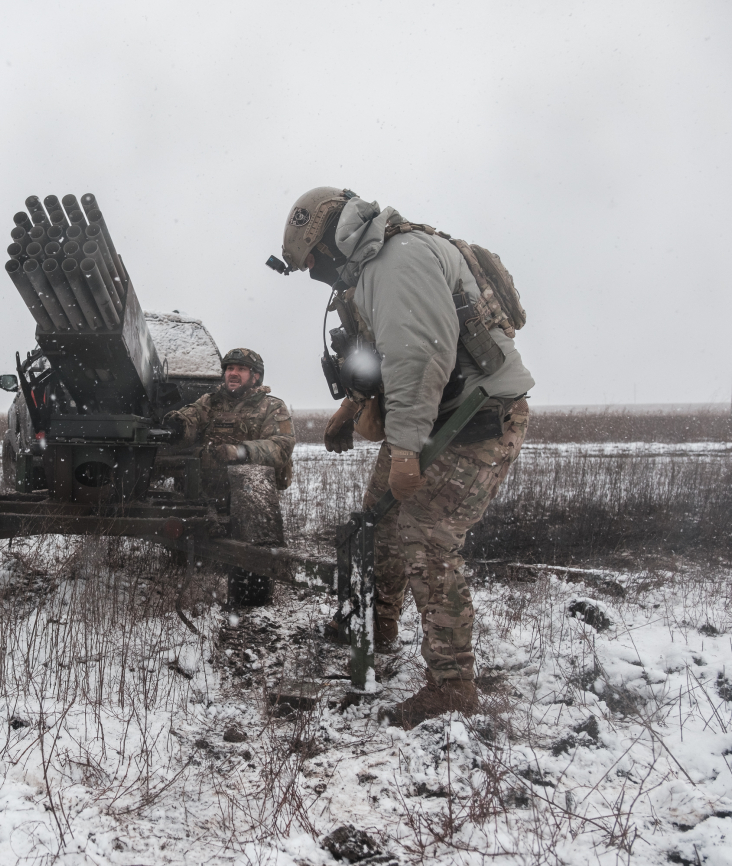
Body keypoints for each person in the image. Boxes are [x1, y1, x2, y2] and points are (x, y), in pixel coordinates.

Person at [278, 187, 534, 728]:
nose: (318, 276)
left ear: (327, 240)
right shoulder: (376, 264)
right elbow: (392, 356)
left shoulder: (398, 261)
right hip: (433, 416)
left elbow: (421, 358)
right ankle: (376, 627)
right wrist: (353, 408)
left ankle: (451, 687)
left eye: (314, 264)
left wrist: (405, 451)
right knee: (378, 520)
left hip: (474, 422)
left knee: (428, 541)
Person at [165, 348, 296, 606]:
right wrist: (176, 425)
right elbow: (190, 418)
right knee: (187, 551)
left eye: (241, 369)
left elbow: (282, 446)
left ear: (255, 376)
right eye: (229, 369)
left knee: (252, 568)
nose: (233, 374)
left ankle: (249, 599)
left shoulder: (272, 406)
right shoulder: (210, 401)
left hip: (249, 490)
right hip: (206, 489)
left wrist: (241, 451)